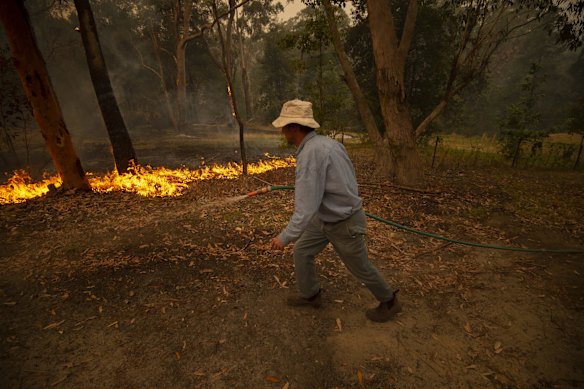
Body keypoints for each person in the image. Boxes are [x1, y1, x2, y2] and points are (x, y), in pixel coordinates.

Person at [270, 99, 401, 323]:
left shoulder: (311, 154)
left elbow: (305, 208)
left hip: (344, 222)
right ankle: (311, 295)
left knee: (360, 267)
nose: (282, 131)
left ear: (293, 127)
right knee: (302, 251)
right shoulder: (327, 144)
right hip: (325, 219)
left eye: (284, 127)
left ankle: (389, 301)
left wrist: (284, 237)